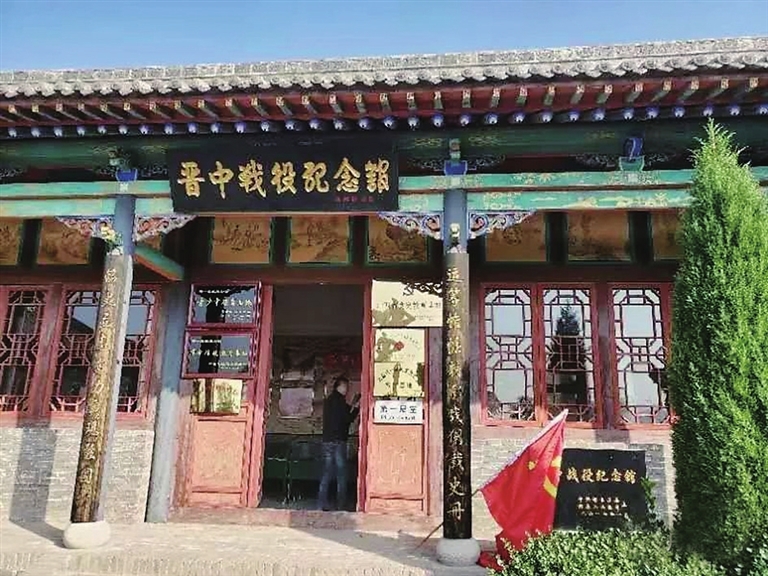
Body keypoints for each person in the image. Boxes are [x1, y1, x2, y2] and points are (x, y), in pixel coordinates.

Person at [318, 376, 360, 511]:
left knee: (326, 473)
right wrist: (356, 408)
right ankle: (341, 504)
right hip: (338, 441)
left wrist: (353, 404)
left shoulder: (329, 401)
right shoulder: (340, 401)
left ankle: (322, 503)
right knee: (341, 473)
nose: (347, 389)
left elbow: (343, 413)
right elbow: (347, 418)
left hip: (327, 440)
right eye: (345, 387)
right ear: (339, 386)